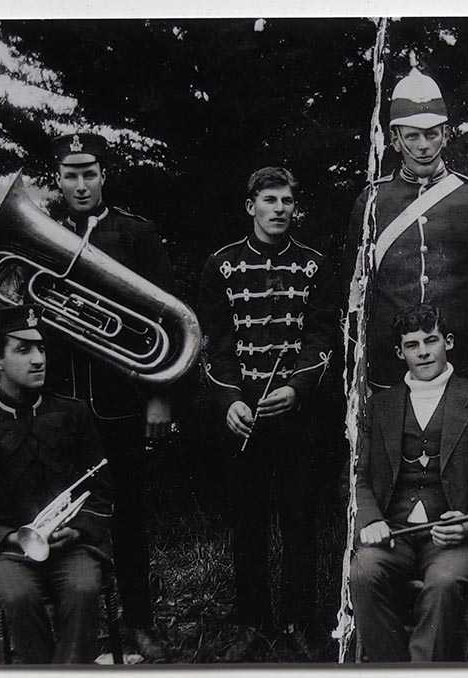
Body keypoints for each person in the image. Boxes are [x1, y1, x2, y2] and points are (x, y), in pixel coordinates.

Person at [197, 167, 338, 661]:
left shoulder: (316, 265)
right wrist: (230, 399)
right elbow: (215, 345)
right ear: (250, 206)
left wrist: (297, 389)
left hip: (298, 413)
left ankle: (300, 619)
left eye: (287, 201)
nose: (280, 209)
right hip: (244, 413)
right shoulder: (222, 265)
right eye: (270, 200)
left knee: (301, 516)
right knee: (247, 519)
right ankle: (251, 621)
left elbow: (323, 338)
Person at [43, 132, 175, 659]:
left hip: (121, 403)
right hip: (58, 407)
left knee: (128, 518)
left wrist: (159, 396)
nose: (80, 184)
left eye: (89, 173)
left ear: (104, 176)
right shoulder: (44, 235)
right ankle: (73, 623)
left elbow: (169, 320)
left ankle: (139, 622)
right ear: (58, 179)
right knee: (59, 518)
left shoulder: (136, 234)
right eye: (70, 175)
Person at [0, 304, 113, 664]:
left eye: (41, 348)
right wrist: (11, 537)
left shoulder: (74, 413)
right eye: (23, 349)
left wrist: (79, 531)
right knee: (19, 597)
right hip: (8, 555)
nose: (38, 359)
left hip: (72, 547)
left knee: (83, 589)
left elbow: (102, 490)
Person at [350, 303, 468, 662]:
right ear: (400, 352)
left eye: (431, 340)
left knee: (443, 584)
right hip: (393, 534)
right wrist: (370, 520)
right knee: (363, 572)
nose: (423, 352)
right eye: (412, 345)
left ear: (448, 342)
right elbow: (358, 477)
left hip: (450, 540)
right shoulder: (380, 406)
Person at [344, 68, 468, 390]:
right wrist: (360, 368)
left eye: (432, 134)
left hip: (463, 366)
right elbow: (355, 293)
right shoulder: (371, 202)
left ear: (446, 134)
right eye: (412, 136)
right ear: (394, 140)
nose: (423, 145)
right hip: (389, 371)